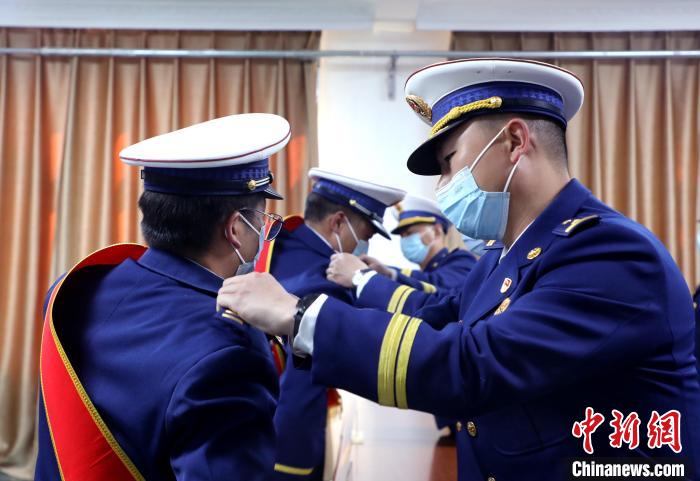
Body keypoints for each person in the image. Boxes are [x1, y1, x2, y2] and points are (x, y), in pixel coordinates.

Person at [217, 59, 700, 480]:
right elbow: (435, 318)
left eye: (449, 163)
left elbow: (474, 363)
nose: (444, 186)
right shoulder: (501, 257)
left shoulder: (609, 253)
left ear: (514, 141)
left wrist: (300, 315)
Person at [35, 114, 289, 481]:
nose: (265, 232)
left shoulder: (78, 288)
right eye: (263, 221)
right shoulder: (230, 354)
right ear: (236, 228)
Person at [259, 168, 404, 480]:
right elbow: (301, 384)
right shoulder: (325, 281)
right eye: (364, 237)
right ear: (337, 222)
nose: (362, 247)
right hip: (281, 441)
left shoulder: (279, 243)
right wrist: (294, 465)